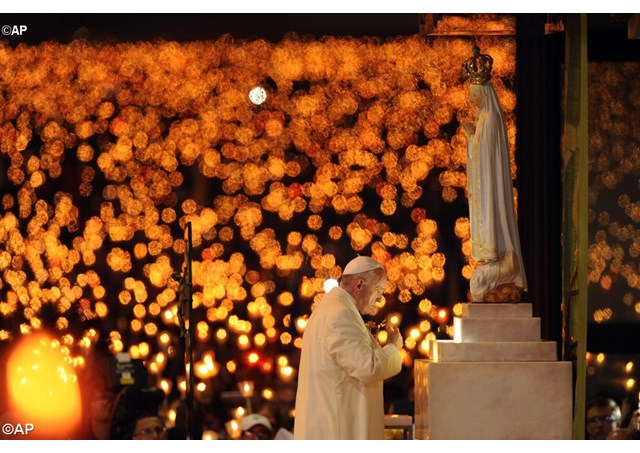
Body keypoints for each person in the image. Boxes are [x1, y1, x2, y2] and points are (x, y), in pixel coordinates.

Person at [293, 256, 403, 439]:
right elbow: (368, 367)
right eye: (378, 289)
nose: (379, 298)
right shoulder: (341, 313)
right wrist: (393, 347)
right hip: (339, 430)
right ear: (359, 284)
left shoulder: (330, 307)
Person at [461, 46, 527, 302]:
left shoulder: (488, 119)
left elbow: (485, 154)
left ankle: (497, 263)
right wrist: (472, 138)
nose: (471, 98)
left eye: (473, 93)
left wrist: (471, 138)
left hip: (488, 186)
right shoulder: (485, 118)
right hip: (485, 184)